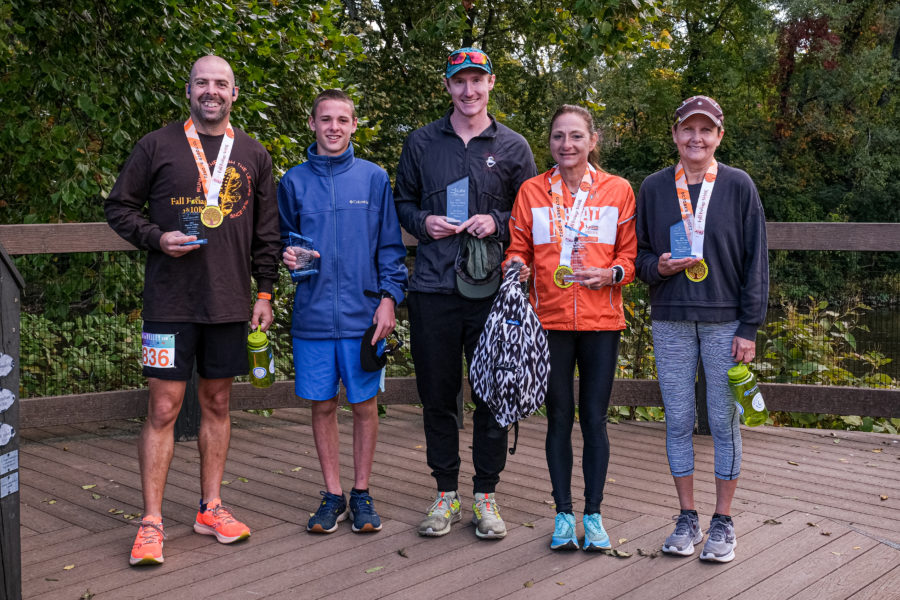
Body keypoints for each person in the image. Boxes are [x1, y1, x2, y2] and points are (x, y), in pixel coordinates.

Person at [105, 55, 281, 566]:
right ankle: (151, 521)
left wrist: (265, 293)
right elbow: (118, 207)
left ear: (234, 92)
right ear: (189, 90)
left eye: (220, 83)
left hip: (229, 303)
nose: (211, 91)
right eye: (202, 82)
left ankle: (211, 507)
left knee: (218, 405)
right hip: (169, 303)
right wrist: (156, 237)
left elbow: (267, 232)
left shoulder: (253, 153)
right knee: (162, 408)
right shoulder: (156, 145)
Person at [394, 47, 537, 539]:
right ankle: (444, 493)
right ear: (448, 87)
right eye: (460, 82)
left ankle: (486, 495)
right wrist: (422, 221)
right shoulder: (420, 143)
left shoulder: (515, 147)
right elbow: (402, 203)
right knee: (437, 395)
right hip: (432, 287)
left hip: (492, 291)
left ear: (491, 83)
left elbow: (529, 214)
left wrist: (495, 220)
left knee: (493, 395)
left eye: (477, 80)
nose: (469, 90)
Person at [635, 95, 769, 563]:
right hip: (670, 317)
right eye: (688, 130)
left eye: (706, 130)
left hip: (725, 320)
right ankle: (687, 516)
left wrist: (749, 326)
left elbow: (757, 260)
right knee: (677, 419)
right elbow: (640, 259)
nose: (696, 138)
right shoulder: (652, 188)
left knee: (723, 421)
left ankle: (723, 521)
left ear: (719, 136)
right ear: (674, 135)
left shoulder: (737, 185)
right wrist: (661, 267)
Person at [505, 105, 636, 551]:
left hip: (602, 322)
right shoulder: (531, 191)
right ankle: (563, 515)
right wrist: (516, 267)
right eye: (559, 136)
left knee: (594, 420)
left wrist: (613, 274)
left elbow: (630, 257)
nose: (567, 144)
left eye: (576, 136)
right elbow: (517, 248)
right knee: (558, 419)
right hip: (548, 321)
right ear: (550, 143)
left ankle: (594, 515)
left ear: (592, 141)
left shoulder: (618, 191)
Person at [278, 89, 407, 535]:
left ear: (355, 125)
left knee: (365, 405)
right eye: (325, 119)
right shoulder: (293, 181)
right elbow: (281, 240)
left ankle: (362, 492)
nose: (334, 127)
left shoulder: (373, 179)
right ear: (312, 124)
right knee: (322, 406)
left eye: (342, 120)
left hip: (363, 316)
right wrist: (285, 255)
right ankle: (332, 495)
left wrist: (389, 298)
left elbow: (390, 248)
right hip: (312, 318)